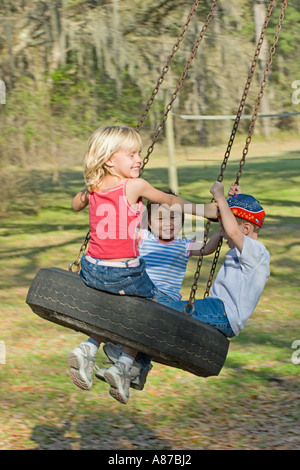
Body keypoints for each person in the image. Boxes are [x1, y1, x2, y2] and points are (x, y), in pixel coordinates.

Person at [67, 125, 217, 404]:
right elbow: (170, 200)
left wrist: (88, 190)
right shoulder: (135, 185)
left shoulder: (95, 187)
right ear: (110, 159)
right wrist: (205, 210)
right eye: (132, 154)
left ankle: (88, 348)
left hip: (91, 269)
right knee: (149, 310)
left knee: (112, 304)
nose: (138, 159)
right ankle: (124, 365)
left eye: (139, 153)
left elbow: (76, 204)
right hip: (121, 271)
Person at [97, 181, 270, 389]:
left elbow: (233, 232)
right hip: (217, 309)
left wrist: (222, 199)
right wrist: (235, 199)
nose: (223, 234)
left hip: (223, 312)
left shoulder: (257, 253)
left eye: (224, 228)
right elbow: (235, 228)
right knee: (159, 315)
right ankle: (136, 367)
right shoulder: (248, 251)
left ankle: (126, 358)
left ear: (247, 229)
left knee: (158, 311)